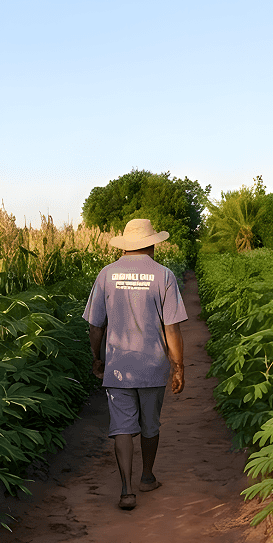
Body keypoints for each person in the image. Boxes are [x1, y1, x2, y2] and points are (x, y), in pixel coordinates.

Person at [82, 218, 187, 510]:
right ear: (152, 244)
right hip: (153, 365)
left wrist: (97, 357)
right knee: (150, 424)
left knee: (122, 427)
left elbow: (95, 326)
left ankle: (126, 490)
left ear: (126, 246)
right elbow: (172, 328)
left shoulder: (106, 274)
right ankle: (147, 477)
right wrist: (179, 366)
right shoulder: (164, 275)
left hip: (118, 365)